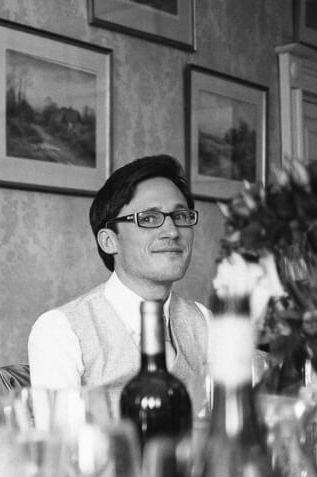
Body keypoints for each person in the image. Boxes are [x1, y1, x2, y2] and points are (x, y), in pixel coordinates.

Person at [27, 154, 209, 413]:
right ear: (109, 241)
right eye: (148, 218)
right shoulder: (60, 331)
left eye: (180, 216)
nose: (172, 231)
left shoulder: (205, 321)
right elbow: (64, 445)